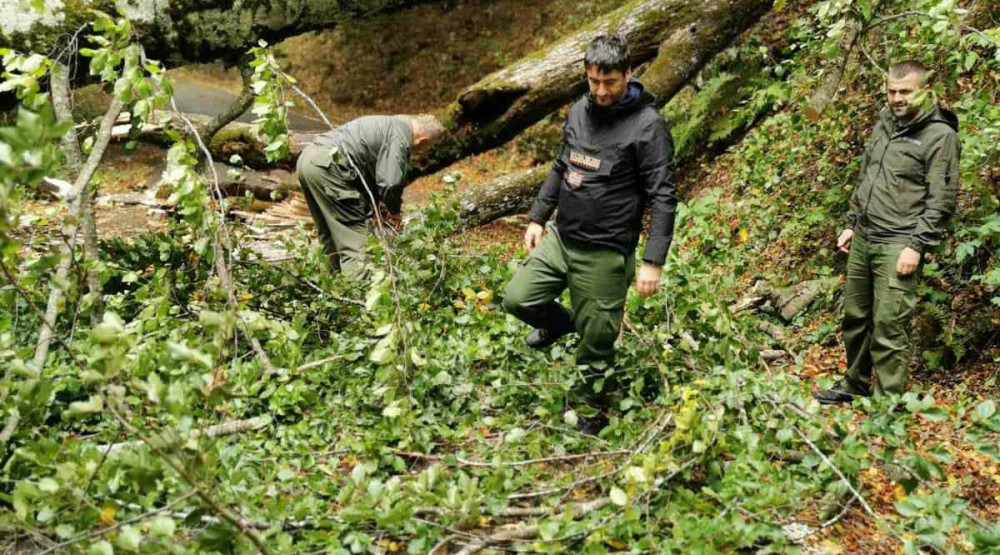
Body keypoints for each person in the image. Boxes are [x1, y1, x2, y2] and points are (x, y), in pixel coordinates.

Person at [501, 34, 677, 409]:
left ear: (629, 73)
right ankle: (561, 323)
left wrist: (653, 260)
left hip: (604, 252)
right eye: (593, 81)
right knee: (517, 299)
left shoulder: (648, 127)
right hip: (562, 238)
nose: (600, 91)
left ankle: (588, 408)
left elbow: (663, 196)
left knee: (596, 343)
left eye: (610, 82)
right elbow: (561, 166)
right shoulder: (579, 111)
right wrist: (537, 217)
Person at [815, 60, 960, 404]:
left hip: (900, 242)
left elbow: (942, 200)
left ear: (925, 90)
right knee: (856, 317)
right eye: (892, 91)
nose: (897, 98)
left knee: (889, 325)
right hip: (865, 235)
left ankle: (888, 403)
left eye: (905, 91)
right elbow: (867, 176)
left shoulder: (940, 136)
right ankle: (855, 383)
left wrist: (917, 246)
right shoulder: (885, 124)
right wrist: (852, 223)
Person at [296, 114, 445, 278]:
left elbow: (366, 166)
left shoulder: (389, 124)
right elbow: (390, 183)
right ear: (422, 141)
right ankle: (357, 293)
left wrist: (376, 206)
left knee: (330, 233)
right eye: (427, 147)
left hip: (308, 159)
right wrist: (394, 211)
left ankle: (332, 286)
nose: (423, 152)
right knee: (355, 239)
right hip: (328, 167)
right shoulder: (400, 137)